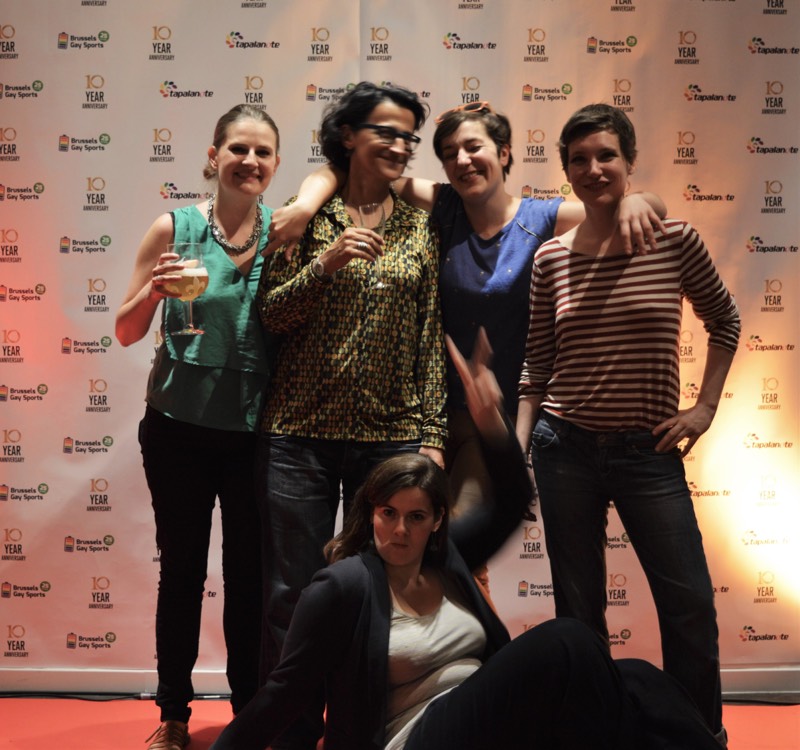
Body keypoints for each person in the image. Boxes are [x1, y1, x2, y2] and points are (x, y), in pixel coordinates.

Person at [210, 329, 723, 750]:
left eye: (416, 517)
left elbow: (512, 500)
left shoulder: (447, 559)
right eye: (388, 514)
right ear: (370, 514)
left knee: (639, 679)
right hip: (413, 737)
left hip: (489, 726)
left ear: (437, 520)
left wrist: (490, 425)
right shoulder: (343, 586)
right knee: (569, 640)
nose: (400, 529)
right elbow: (283, 690)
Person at [267, 100, 666, 520]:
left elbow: (615, 207)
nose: (462, 160)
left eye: (474, 147)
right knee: (421, 546)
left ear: (504, 153)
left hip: (496, 419)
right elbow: (353, 170)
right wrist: (305, 207)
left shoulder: (540, 218)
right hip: (431, 420)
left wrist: (641, 199)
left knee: (459, 541)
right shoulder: (444, 206)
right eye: (450, 153)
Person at [516, 103, 741, 746]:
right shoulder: (551, 259)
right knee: (579, 614)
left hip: (648, 450)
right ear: (566, 170)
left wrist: (704, 407)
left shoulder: (673, 239)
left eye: (606, 156)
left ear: (629, 161)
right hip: (563, 449)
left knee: (689, 606)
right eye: (579, 159)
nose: (593, 169)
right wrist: (518, 447)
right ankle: (595, 733)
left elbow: (724, 321)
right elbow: (537, 365)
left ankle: (698, 737)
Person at [255, 82, 446, 749]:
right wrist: (326, 265)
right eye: (386, 132)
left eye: (408, 137)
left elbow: (428, 338)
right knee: (292, 596)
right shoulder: (304, 217)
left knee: (374, 596)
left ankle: (359, 734)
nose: (400, 146)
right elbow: (271, 314)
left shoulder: (419, 227)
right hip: (299, 436)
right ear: (347, 136)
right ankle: (292, 732)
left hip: (389, 440)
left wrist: (431, 435)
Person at [115, 104, 280, 750]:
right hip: (176, 431)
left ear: (275, 164)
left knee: (249, 581)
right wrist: (154, 292)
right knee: (182, 573)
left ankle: (249, 713)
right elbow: (126, 331)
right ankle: (174, 716)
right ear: (214, 156)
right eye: (238, 148)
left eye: (262, 152)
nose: (249, 161)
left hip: (253, 435)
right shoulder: (173, 228)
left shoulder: (285, 234)